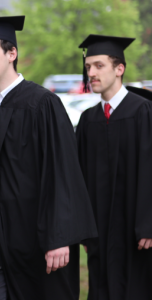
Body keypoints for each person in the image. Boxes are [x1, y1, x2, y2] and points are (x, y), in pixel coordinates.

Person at [0, 16, 97, 300]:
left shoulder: (42, 104)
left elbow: (62, 173)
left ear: (12, 53)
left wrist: (60, 237)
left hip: (35, 239)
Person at [76, 34, 152, 300]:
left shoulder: (143, 112)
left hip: (137, 233)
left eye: (99, 66)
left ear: (119, 69)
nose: (92, 73)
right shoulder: (88, 120)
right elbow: (80, 177)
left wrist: (148, 224)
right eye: (88, 67)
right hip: (100, 233)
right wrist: (84, 228)